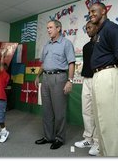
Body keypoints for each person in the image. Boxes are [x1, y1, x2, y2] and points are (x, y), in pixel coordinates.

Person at [88, 2, 118, 156]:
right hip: (98, 76)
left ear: (104, 10)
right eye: (89, 12)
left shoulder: (112, 28)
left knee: (109, 123)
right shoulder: (99, 32)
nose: (91, 14)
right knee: (101, 122)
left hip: (108, 74)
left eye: (94, 11)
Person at [34, 20, 76, 150]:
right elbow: (43, 63)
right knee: (47, 110)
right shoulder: (47, 45)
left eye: (50, 27)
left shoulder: (66, 43)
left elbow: (71, 63)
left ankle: (59, 138)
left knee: (59, 111)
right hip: (45, 78)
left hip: (59, 78)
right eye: (47, 28)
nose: (48, 30)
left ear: (58, 28)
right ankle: (48, 137)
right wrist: (38, 75)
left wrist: (70, 81)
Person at [74, 21, 100, 156]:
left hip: (99, 79)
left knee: (97, 112)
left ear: (97, 27)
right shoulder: (86, 46)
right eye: (86, 28)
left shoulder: (103, 43)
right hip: (87, 80)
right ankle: (88, 139)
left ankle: (97, 142)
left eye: (90, 27)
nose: (88, 30)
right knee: (86, 111)